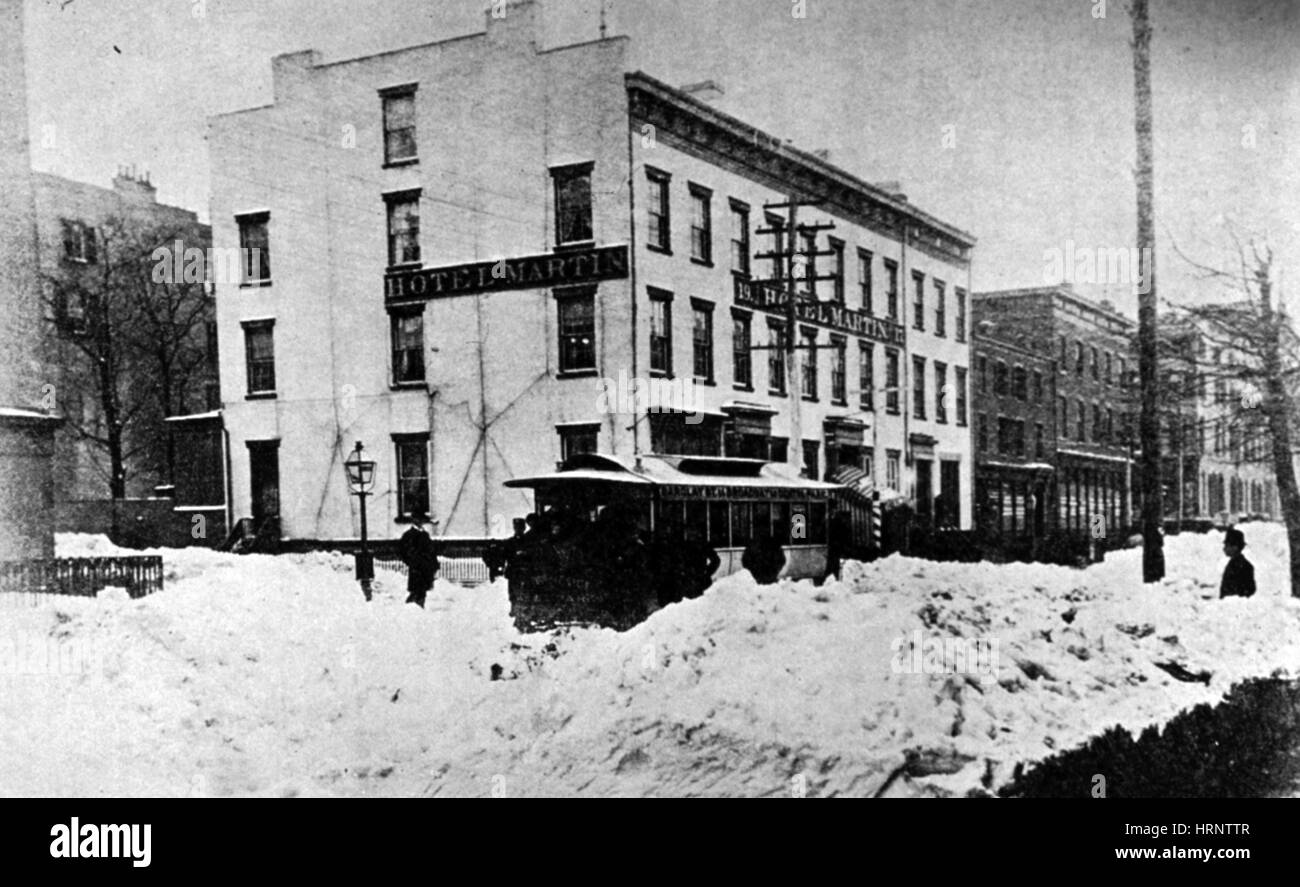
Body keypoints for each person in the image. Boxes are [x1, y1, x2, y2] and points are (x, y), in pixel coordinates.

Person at [399, 512, 440, 607]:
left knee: (423, 592)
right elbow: (402, 550)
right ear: (414, 520)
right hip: (416, 569)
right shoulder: (409, 535)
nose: (420, 522)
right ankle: (409, 609)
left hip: (426, 569)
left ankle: (419, 610)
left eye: (421, 520)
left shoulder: (425, 534)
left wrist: (434, 565)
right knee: (415, 592)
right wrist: (411, 561)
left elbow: (431, 552)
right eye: (418, 520)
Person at [1219, 527, 1256, 599]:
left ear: (1235, 547)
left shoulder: (1243, 566)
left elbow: (1248, 591)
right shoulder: (1235, 564)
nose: (1224, 548)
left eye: (1227, 545)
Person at [827, 509, 853, 580]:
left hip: (837, 545)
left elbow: (844, 532)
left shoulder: (839, 520)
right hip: (831, 545)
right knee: (831, 562)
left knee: (835, 562)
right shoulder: (828, 519)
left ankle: (836, 578)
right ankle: (831, 578)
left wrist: (842, 543)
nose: (832, 511)